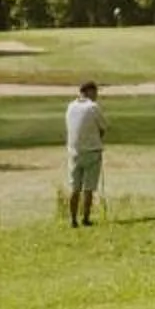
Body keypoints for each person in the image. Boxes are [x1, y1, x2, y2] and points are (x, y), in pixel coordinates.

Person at [64, 80, 106, 227]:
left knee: (74, 188)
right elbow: (103, 127)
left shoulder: (70, 106)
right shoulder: (93, 107)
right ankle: (86, 218)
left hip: (74, 152)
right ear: (89, 91)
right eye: (95, 92)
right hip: (92, 151)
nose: (96, 95)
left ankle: (73, 219)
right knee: (88, 187)